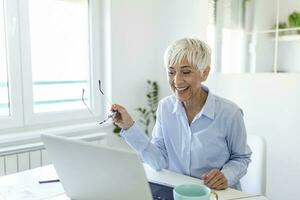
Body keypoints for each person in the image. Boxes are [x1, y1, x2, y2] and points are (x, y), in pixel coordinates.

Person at [111, 38, 252, 190]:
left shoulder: (230, 113)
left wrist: (226, 175)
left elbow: (241, 158)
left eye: (186, 72)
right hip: (179, 192)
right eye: (171, 72)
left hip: (217, 194)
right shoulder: (165, 108)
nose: (177, 81)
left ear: (204, 73)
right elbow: (158, 161)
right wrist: (129, 126)